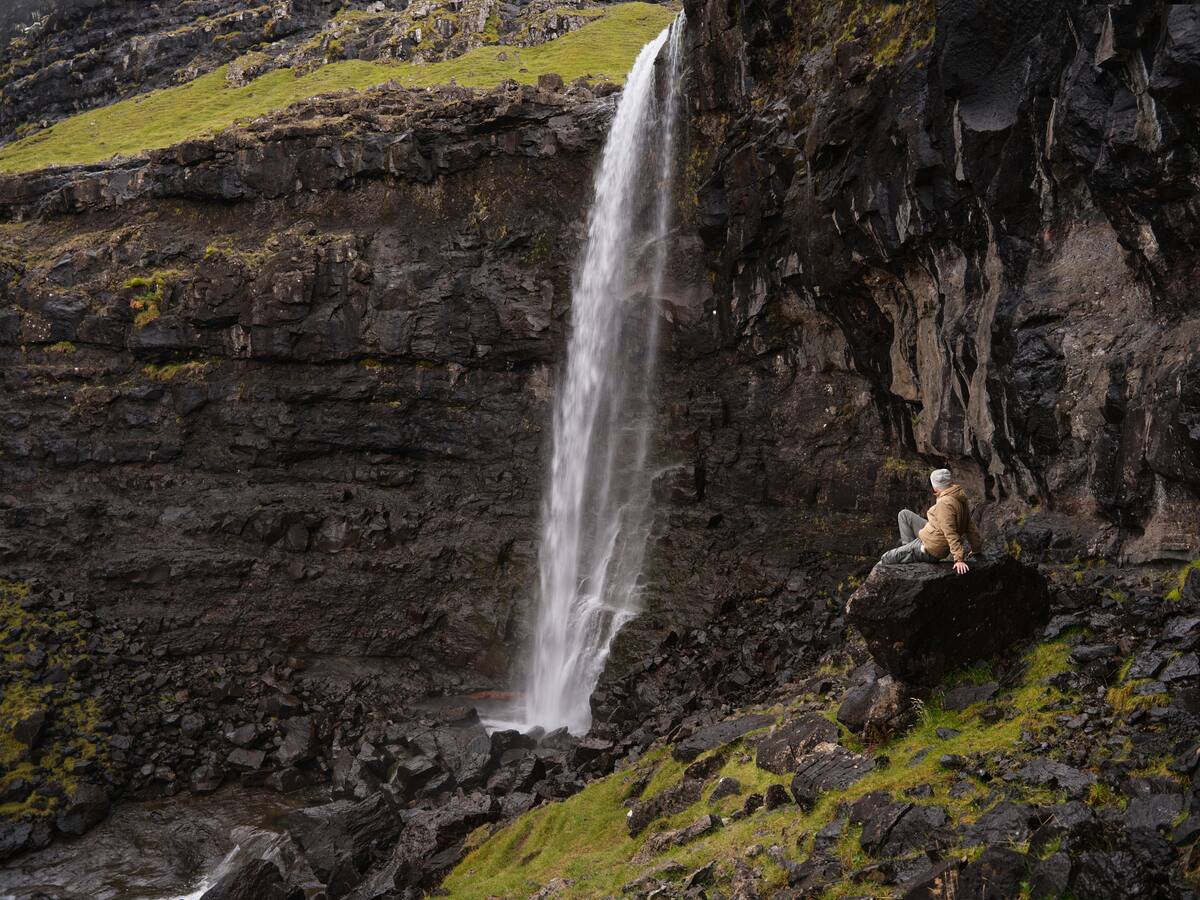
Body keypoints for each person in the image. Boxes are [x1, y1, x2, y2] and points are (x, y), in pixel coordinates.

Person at [880, 468, 983, 574]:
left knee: (886, 558)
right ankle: (908, 551)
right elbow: (970, 526)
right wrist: (976, 548)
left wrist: (958, 559)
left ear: (936, 487)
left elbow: (950, 531)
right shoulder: (958, 496)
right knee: (904, 515)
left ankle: (910, 554)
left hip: (932, 547)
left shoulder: (944, 503)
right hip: (934, 532)